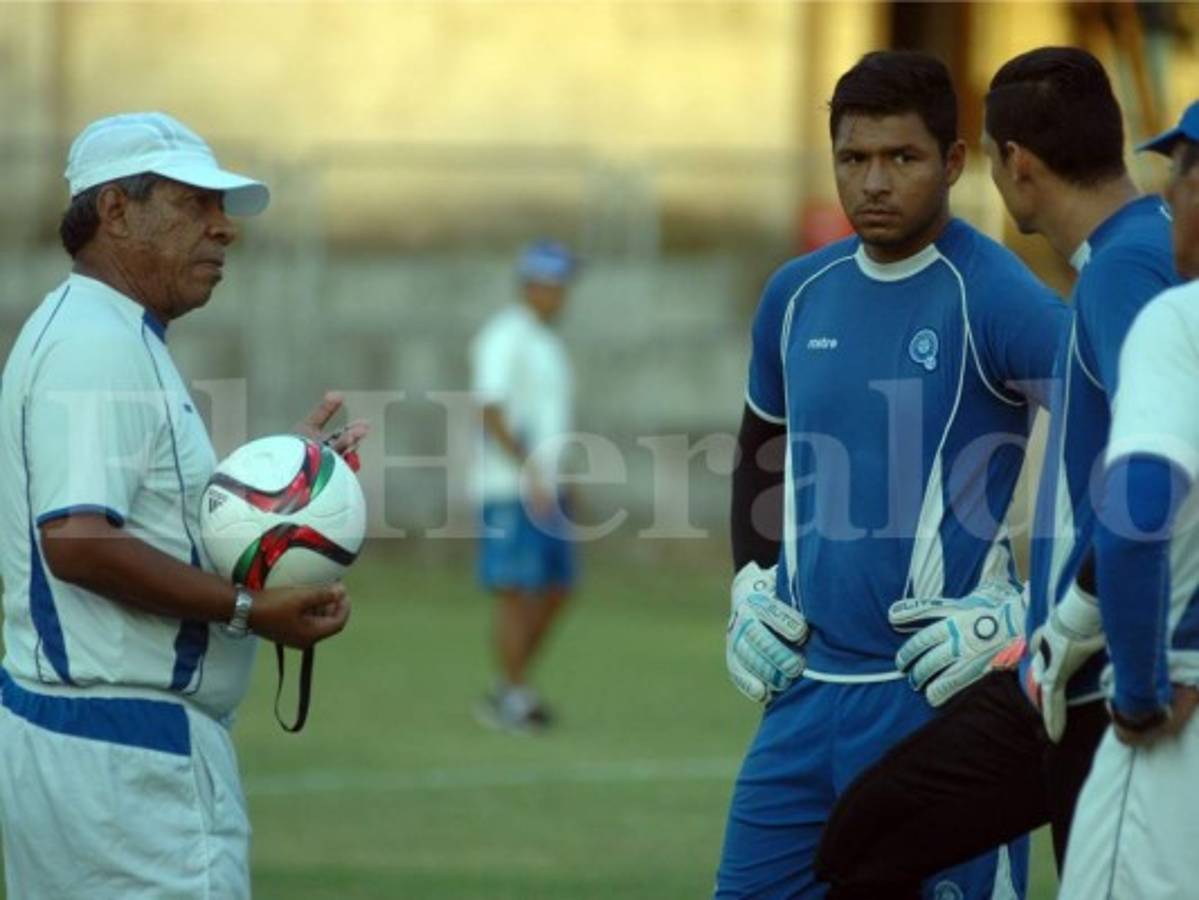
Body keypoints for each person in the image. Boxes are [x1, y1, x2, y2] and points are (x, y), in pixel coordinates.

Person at [815, 49, 1181, 897]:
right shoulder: (1130, 256)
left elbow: (1154, 477)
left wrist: (1081, 618)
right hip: (1064, 664)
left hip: (1097, 672)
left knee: (874, 844)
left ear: (1011, 162)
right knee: (866, 840)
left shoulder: (1125, 268)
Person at [718, 51, 1066, 899]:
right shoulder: (796, 294)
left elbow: (1120, 445)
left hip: (940, 700)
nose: (873, 182)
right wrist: (747, 587)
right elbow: (758, 453)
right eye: (853, 158)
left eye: (901, 159)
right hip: (801, 697)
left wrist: (1029, 613)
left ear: (950, 162)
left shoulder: (993, 294)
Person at [0, 111, 362, 899]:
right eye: (194, 203)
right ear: (115, 210)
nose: (222, 229)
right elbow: (79, 542)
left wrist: (283, 497)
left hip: (92, 753)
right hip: (126, 766)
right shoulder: (96, 344)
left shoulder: (103, 331)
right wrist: (246, 607)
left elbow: (142, 519)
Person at [1058, 100, 1199, 899]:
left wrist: (1140, 696)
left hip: (1177, 729)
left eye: (1175, 175)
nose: (1165, 199)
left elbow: (1134, 520)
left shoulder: (1176, 322)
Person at [471, 240, 577, 733]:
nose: (563, 296)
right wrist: (529, 468)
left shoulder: (547, 342)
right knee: (516, 592)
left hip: (546, 488)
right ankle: (512, 696)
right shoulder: (504, 336)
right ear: (534, 284)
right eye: (556, 285)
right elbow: (490, 409)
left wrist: (560, 477)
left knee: (557, 590)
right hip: (511, 488)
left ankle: (509, 687)